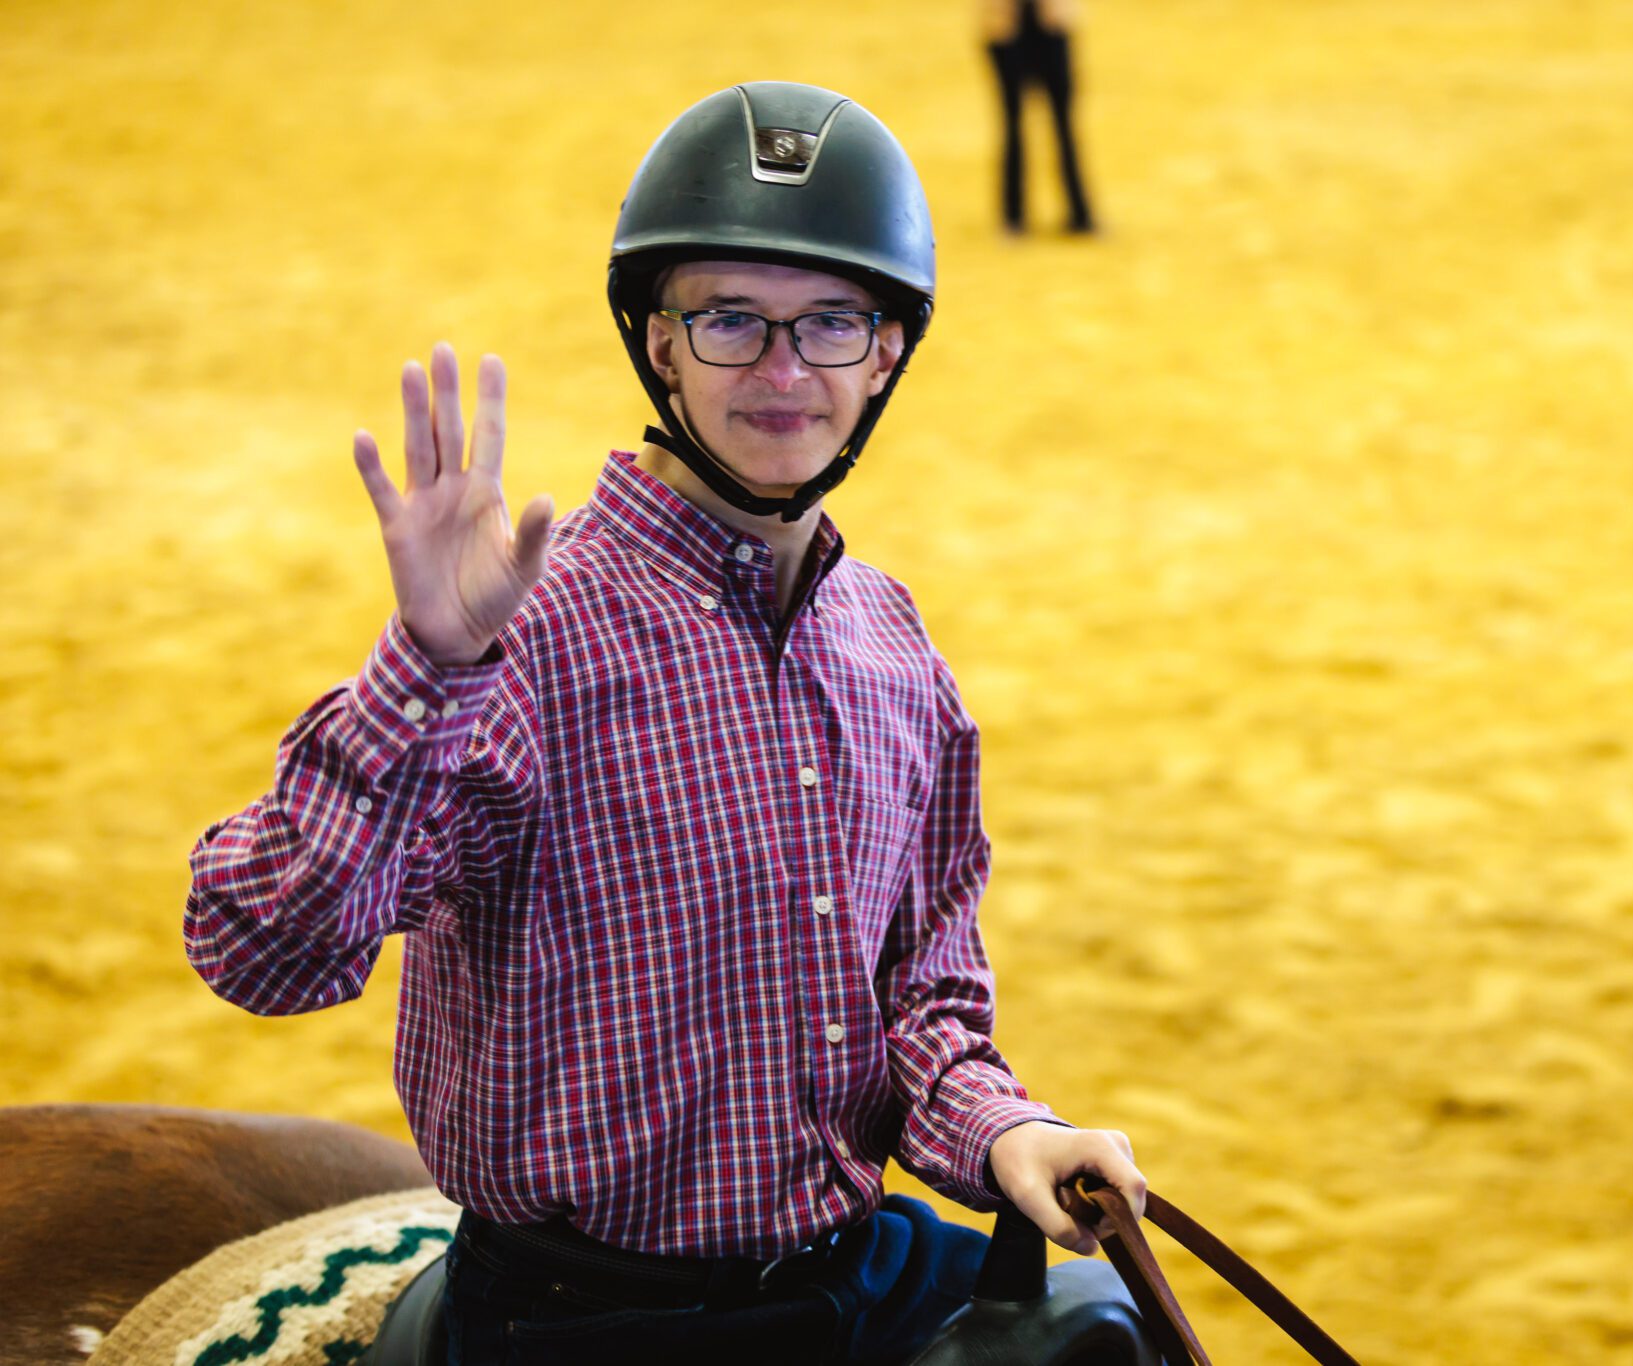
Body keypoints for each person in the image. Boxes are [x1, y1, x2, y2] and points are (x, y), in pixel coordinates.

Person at [185, 81, 1145, 1364]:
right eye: (730, 321)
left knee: (1113, 1341)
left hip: (846, 1265)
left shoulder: (893, 645)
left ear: (888, 353)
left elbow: (919, 998)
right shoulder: (527, 634)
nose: (784, 372)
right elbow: (260, 950)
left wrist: (1002, 1128)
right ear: (656, 342)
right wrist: (427, 662)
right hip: (586, 1315)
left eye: (832, 324)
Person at [983, 0, 1096, 234]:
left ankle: (1080, 214)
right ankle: (1013, 216)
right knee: (1014, 126)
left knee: (1063, 126)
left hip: (1049, 23)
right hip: (1008, 25)